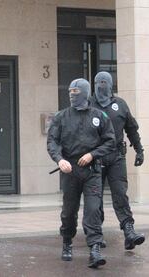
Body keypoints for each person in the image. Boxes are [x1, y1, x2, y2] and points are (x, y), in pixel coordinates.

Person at [47, 78, 116, 268]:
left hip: (91, 171)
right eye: (70, 92)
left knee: (93, 210)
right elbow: (52, 142)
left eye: (75, 92)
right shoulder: (61, 117)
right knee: (68, 212)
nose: (71, 95)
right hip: (69, 170)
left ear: (84, 93)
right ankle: (67, 242)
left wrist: (93, 154)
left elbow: (110, 141)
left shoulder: (99, 116)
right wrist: (59, 160)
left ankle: (94, 249)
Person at [90, 71, 145, 250]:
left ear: (111, 84)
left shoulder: (120, 104)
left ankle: (129, 231)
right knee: (95, 198)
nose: (102, 86)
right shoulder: (88, 104)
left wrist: (139, 150)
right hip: (95, 158)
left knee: (120, 194)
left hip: (116, 157)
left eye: (105, 82)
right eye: (99, 83)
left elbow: (131, 129)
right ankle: (96, 236)